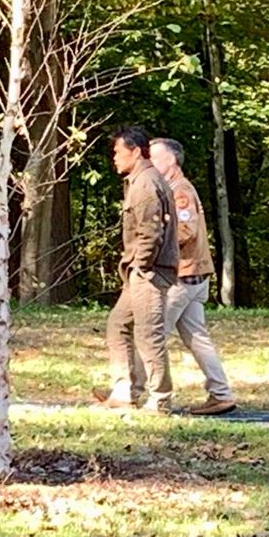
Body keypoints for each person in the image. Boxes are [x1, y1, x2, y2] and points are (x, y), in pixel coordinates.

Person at [148, 137, 236, 415]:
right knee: (196, 337)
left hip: (182, 276)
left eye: (154, 158)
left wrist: (154, 244)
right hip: (193, 276)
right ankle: (221, 393)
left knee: (151, 333)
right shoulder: (173, 189)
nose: (150, 163)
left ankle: (138, 393)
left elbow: (186, 232)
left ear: (171, 160)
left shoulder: (180, 191)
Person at [98, 124, 177, 413]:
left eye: (118, 152)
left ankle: (160, 399)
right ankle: (124, 390)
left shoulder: (145, 184)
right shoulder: (140, 180)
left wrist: (141, 266)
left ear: (135, 151)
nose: (114, 158)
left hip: (149, 272)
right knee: (119, 323)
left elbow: (150, 232)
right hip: (141, 272)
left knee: (148, 334)